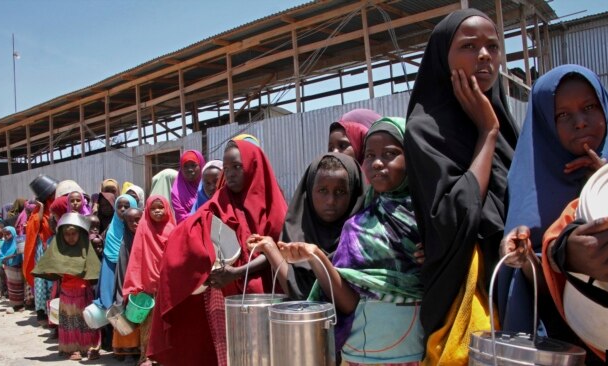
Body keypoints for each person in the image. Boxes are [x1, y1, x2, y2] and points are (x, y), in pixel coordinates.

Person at [257, 117, 424, 365]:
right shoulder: (358, 225)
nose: (377, 163)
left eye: (390, 153)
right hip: (359, 353)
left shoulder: (431, 217)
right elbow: (348, 301)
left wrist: (440, 253)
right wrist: (315, 256)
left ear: (412, 156)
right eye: (369, 155)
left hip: (415, 351)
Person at [403, 9, 519, 364]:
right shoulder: (425, 130)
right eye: (469, 46)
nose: (484, 55)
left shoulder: (506, 123)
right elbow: (452, 218)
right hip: (461, 292)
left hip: (515, 281)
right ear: (443, 56)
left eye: (493, 47)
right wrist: (486, 135)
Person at [500, 65, 608, 361]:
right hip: (570, 343)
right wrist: (558, 257)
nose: (580, 122)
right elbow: (535, 294)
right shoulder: (531, 189)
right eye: (563, 115)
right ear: (545, 122)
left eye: (589, 107)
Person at [149, 140, 287, 366]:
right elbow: (191, 229)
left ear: (253, 166)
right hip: (226, 296)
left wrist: (239, 271)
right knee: (231, 354)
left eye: (237, 167)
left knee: (266, 355)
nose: (230, 174)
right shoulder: (220, 201)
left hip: (267, 294)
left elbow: (280, 249)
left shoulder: (272, 201)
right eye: (227, 168)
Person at [253, 152, 366, 299]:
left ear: (353, 192)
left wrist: (315, 257)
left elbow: (353, 303)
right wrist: (270, 248)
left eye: (340, 192)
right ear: (309, 191)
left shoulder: (364, 236)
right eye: (322, 191)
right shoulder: (297, 233)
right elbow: (296, 291)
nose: (331, 200)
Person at [32, 213, 101, 361]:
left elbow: (94, 271)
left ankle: (89, 346)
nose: (70, 237)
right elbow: (48, 266)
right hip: (68, 294)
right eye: (67, 234)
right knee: (71, 323)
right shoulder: (59, 249)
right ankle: (72, 348)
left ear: (80, 234)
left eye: (74, 233)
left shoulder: (85, 248)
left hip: (84, 293)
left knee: (86, 321)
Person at [124, 195, 175, 366]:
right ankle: (146, 356)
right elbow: (137, 259)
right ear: (147, 210)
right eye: (153, 208)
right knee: (149, 326)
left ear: (167, 208)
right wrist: (135, 284)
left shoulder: (172, 229)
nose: (158, 211)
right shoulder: (144, 229)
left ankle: (166, 357)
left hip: (168, 285)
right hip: (148, 287)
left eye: (161, 207)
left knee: (168, 324)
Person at [111, 208, 142, 360]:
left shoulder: (146, 238)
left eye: (138, 219)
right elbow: (123, 269)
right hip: (129, 285)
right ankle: (128, 349)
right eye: (130, 221)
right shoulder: (125, 243)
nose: (135, 224)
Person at [171, 149, 206, 223]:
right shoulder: (176, 193)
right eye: (185, 166)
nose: (189, 169)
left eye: (193, 165)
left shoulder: (209, 185)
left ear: (201, 165)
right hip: (188, 230)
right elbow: (181, 218)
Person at [0, 226, 25, 312]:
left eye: (8, 234)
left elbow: (22, 251)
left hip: (18, 266)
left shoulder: (18, 241)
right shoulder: (3, 244)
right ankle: (15, 304)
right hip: (8, 268)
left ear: (13, 233)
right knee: (11, 287)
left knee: (20, 286)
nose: (6, 236)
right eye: (4, 234)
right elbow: (1, 257)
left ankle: (21, 304)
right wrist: (8, 257)